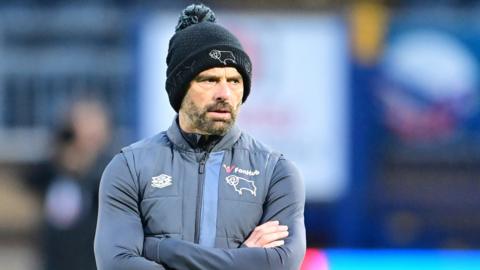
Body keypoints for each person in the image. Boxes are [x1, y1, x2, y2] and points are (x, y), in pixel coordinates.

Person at [94, 4, 306, 270]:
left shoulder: (277, 172)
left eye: (235, 81)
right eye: (209, 79)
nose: (224, 94)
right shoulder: (130, 167)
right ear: (180, 87)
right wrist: (244, 259)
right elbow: (117, 264)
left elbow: (280, 263)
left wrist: (159, 249)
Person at [27, 100, 110, 270]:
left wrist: (83, 166)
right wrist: (63, 157)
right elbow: (30, 179)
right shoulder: (53, 168)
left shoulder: (110, 169)